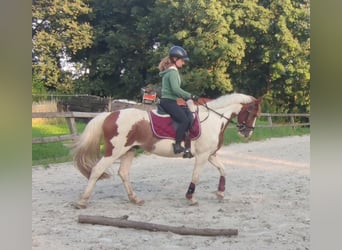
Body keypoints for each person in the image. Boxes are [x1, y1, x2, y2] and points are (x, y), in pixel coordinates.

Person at [158, 45, 198, 154]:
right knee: (184, 120)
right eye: (182, 60)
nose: (183, 63)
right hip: (169, 101)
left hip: (168, 101)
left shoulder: (170, 72)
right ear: (175, 59)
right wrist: (190, 95)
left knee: (185, 112)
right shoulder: (173, 72)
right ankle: (177, 145)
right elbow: (175, 89)